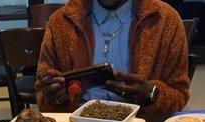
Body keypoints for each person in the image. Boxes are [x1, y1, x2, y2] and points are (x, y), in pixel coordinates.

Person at [36, 0, 190, 114]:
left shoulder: (165, 21)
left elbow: (180, 94)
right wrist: (54, 97)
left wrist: (151, 94)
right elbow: (42, 93)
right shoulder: (60, 23)